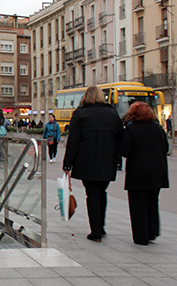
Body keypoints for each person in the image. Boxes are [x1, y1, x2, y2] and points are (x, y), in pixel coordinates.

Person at [62, 86, 123, 243]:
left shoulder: (80, 114)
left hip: (87, 161)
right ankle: (100, 226)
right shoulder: (112, 114)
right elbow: (120, 138)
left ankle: (95, 230)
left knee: (92, 193)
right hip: (107, 160)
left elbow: (73, 141)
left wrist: (67, 163)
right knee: (102, 192)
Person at [119, 102, 169, 245]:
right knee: (153, 202)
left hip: (138, 173)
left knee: (137, 204)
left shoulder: (132, 130)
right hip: (157, 172)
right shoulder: (158, 128)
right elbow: (165, 148)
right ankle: (152, 231)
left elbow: (124, 151)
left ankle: (141, 236)